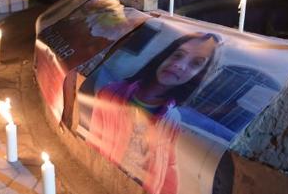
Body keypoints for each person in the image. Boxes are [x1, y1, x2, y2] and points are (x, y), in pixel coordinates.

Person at [87, 33, 222, 194]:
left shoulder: (173, 117)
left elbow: (168, 163)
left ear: (198, 75)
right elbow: (95, 137)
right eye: (178, 55)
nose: (179, 65)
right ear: (165, 56)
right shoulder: (111, 93)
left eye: (195, 63)